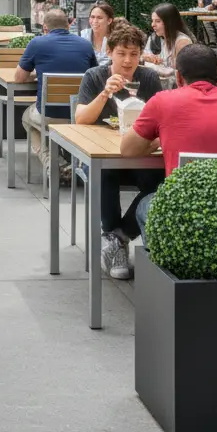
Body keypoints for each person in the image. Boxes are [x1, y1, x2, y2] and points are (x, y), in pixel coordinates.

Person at [121, 44, 217, 239]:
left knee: (146, 203)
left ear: (178, 77)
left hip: (185, 213)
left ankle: (155, 257)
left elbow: (128, 149)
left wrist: (159, 139)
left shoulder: (162, 101)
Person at [74, 21, 164, 279]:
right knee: (104, 174)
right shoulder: (95, 76)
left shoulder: (148, 78)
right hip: (107, 156)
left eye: (134, 54)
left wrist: (152, 141)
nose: (128, 60)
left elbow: (159, 121)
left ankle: (118, 237)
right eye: (122, 53)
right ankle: (114, 237)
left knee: (161, 180)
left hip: (139, 155)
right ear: (110, 52)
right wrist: (104, 94)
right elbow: (80, 119)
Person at [15, 9, 97, 179]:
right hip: (80, 114)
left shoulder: (37, 43)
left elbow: (19, 77)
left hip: (49, 113)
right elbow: (93, 76)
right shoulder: (85, 44)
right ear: (69, 25)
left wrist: (38, 74)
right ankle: (67, 163)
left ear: (45, 28)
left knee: (26, 118)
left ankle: (53, 163)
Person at [143, 3, 193, 71]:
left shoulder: (182, 42)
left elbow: (181, 72)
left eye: (158, 21)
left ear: (169, 22)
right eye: (152, 21)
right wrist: (147, 57)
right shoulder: (155, 37)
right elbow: (141, 56)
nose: (153, 25)